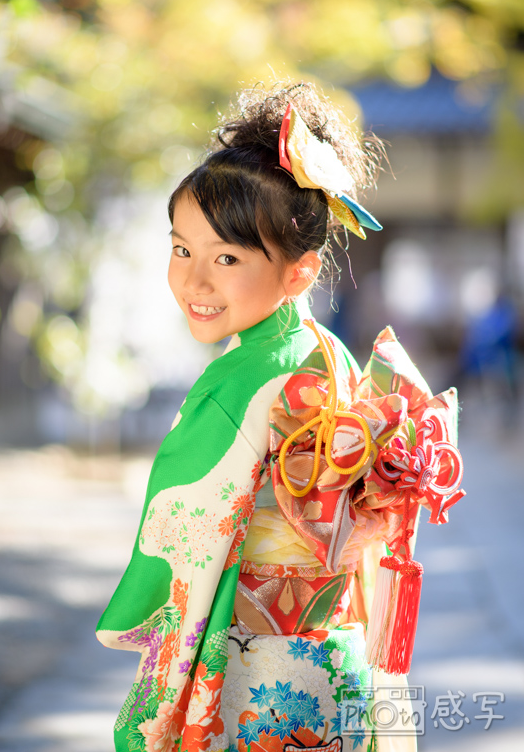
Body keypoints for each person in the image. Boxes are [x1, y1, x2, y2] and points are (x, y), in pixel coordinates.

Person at [97, 82, 463, 752]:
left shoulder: (244, 382)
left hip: (257, 663)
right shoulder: (328, 354)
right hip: (334, 651)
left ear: (298, 273)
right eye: (182, 250)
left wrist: (140, 612)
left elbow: (183, 516)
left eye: (226, 258)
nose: (193, 280)